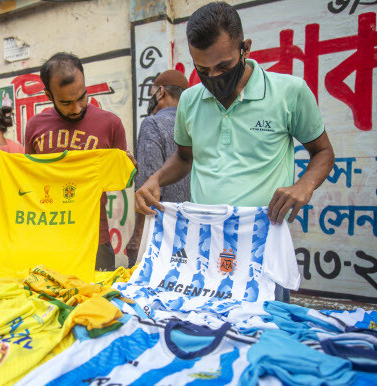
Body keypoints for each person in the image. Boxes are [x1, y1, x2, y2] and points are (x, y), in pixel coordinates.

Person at [135, 2, 335, 303]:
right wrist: (156, 180)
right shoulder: (189, 100)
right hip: (205, 248)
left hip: (263, 245)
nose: (214, 78)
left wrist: (303, 185)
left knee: (264, 335)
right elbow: (185, 158)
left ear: (246, 49)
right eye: (202, 70)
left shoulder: (290, 92)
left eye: (224, 67)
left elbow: (322, 152)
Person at [24, 52, 128, 271]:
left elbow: (120, 183)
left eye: (82, 97)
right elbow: (28, 179)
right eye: (66, 102)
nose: (77, 108)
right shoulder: (35, 126)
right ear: (48, 94)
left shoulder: (111, 124)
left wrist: (128, 169)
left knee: (97, 303)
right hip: (49, 239)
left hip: (95, 240)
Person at [125, 70, 191, 267]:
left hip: (161, 233)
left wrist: (137, 237)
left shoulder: (153, 124)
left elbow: (149, 188)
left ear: (161, 92)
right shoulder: (193, 124)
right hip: (193, 229)